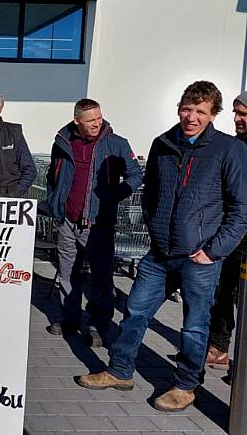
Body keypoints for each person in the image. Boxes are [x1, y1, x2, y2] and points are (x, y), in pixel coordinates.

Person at [77, 81, 247, 412]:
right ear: (179, 109)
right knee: (135, 310)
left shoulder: (229, 150)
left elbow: (241, 210)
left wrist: (213, 250)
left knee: (196, 325)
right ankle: (120, 369)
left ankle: (185, 385)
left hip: (200, 256)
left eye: (200, 111)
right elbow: (151, 191)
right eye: (187, 109)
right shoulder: (163, 143)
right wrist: (154, 229)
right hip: (160, 252)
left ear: (213, 114)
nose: (192, 117)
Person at [43, 98, 143, 346]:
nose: (97, 123)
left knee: (100, 277)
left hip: (98, 223)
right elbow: (52, 175)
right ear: (77, 121)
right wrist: (55, 202)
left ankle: (99, 324)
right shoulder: (63, 142)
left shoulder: (116, 144)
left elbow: (135, 175)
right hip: (66, 220)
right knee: (67, 273)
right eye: (90, 121)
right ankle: (70, 318)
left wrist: (114, 195)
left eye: (99, 118)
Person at [205, 90, 247, 369]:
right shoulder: (235, 146)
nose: (237, 118)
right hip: (233, 234)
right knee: (224, 291)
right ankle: (219, 348)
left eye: (243, 114)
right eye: (235, 112)